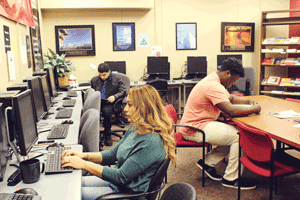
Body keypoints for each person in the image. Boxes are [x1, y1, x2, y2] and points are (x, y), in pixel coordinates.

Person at [61, 84, 176, 200]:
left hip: (128, 194)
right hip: (117, 185)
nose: (125, 109)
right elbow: (112, 154)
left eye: (130, 105)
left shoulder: (152, 143)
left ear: (144, 108)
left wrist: (83, 164)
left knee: (70, 194)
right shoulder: (136, 127)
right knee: (70, 184)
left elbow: (121, 176)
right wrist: (83, 156)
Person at [180, 58, 261, 190]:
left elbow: (231, 98)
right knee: (240, 135)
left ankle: (207, 162)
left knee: (234, 133)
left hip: (195, 124)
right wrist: (255, 108)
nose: (234, 83)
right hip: (194, 128)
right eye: (233, 79)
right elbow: (231, 111)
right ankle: (231, 178)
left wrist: (248, 101)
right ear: (227, 73)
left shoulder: (213, 79)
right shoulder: (213, 86)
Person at [90, 63, 127, 146]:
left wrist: (114, 96)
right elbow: (92, 92)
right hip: (99, 102)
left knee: (106, 112)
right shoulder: (94, 80)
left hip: (111, 103)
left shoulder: (117, 79)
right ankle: (92, 136)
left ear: (109, 72)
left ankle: (108, 135)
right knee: (89, 111)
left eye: (104, 75)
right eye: (100, 75)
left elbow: (123, 92)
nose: (102, 77)